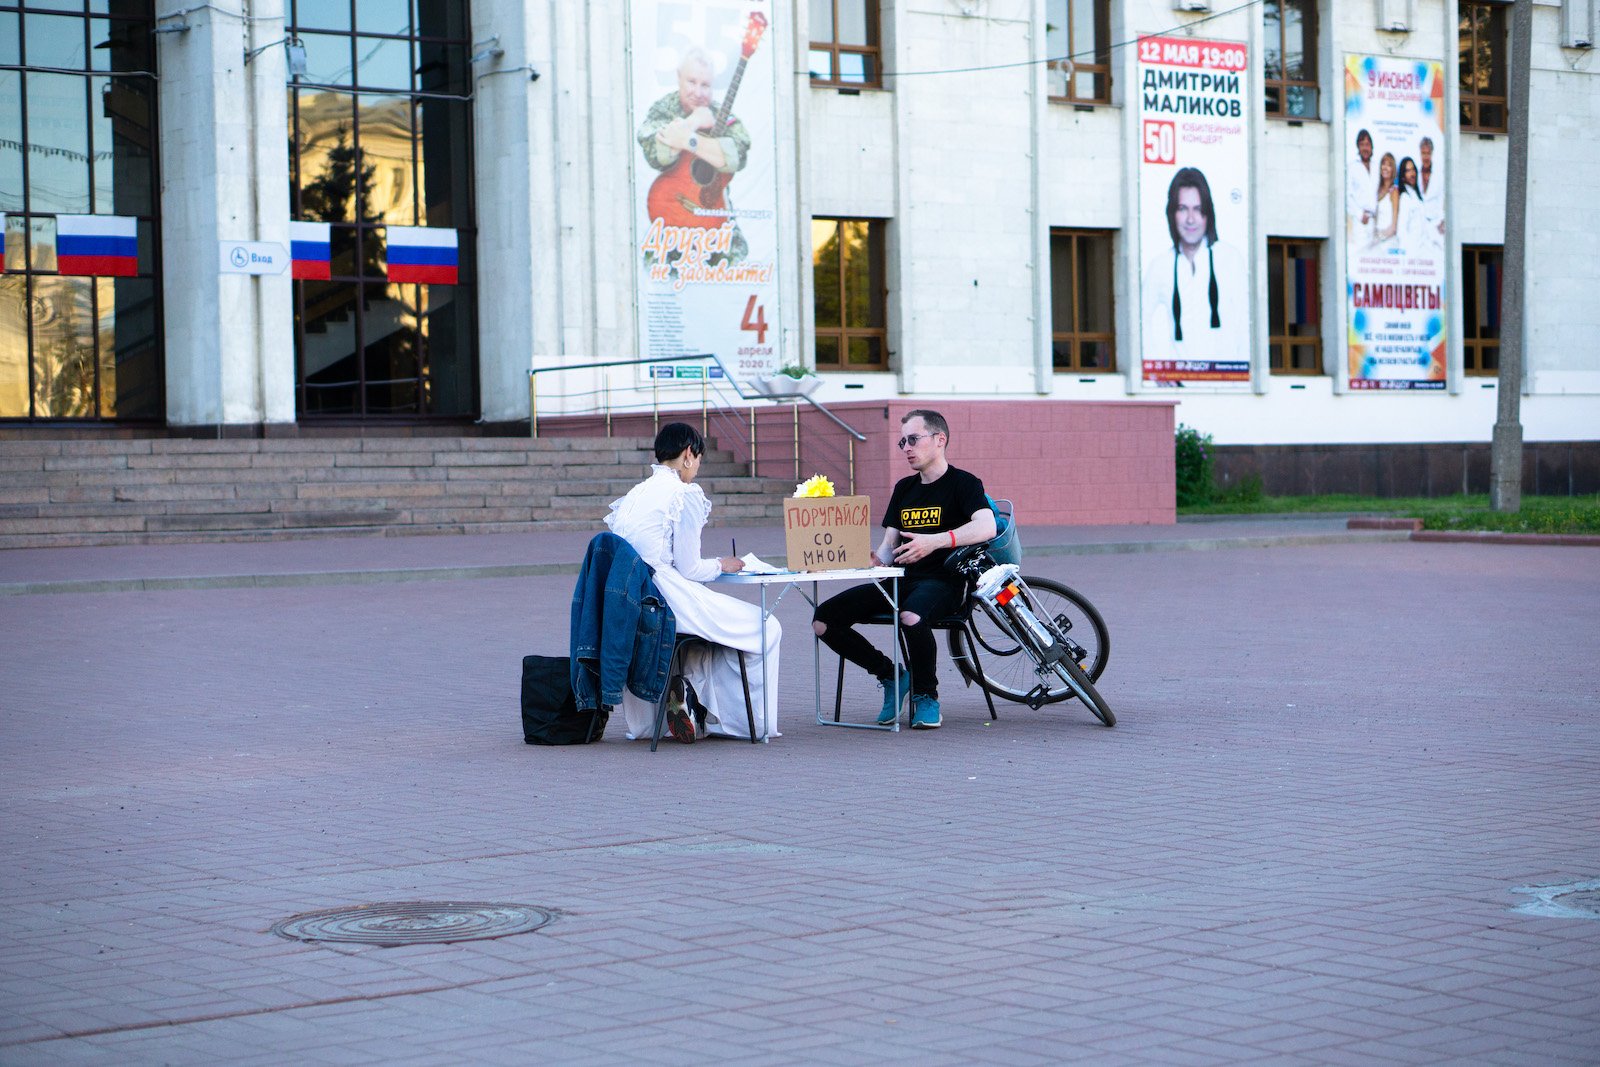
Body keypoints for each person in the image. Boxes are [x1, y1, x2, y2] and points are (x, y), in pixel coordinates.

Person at [812, 410, 996, 730]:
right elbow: (888, 545)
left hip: (944, 583)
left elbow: (987, 526)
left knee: (910, 617)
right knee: (823, 621)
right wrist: (874, 560)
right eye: (903, 442)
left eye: (914, 439)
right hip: (898, 581)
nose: (907, 448)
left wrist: (936, 542)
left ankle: (926, 696)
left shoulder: (963, 483)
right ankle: (891, 675)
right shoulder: (904, 488)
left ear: (940, 440)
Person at [602, 423, 781, 743]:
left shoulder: (633, 495)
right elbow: (689, 568)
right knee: (765, 625)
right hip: (667, 598)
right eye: (698, 460)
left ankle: (689, 704)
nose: (696, 468)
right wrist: (723, 564)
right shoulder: (683, 494)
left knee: (705, 635)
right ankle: (741, 723)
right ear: (688, 454)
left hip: (630, 602)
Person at [1139, 167, 1248, 367]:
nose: (1190, 219)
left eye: (1197, 209)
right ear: (1172, 213)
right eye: (1182, 209)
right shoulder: (1160, 266)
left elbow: (1246, 325)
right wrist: (1156, 368)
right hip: (1181, 383)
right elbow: (1139, 321)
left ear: (1208, 213)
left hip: (1228, 383)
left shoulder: (1230, 260)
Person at [1346, 128, 1377, 241]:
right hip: (1360, 221)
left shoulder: (1377, 167)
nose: (1365, 148)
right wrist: (1360, 214)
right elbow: (1347, 196)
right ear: (1358, 147)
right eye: (1362, 144)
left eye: (1367, 144)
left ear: (1371, 147)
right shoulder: (1352, 167)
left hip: (1376, 220)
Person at [1418, 136, 1445, 249]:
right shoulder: (1415, 173)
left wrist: (1442, 220)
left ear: (1432, 153)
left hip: (1436, 224)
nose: (1426, 157)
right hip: (1419, 225)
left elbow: (1444, 198)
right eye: (1423, 153)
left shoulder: (1439, 175)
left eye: (1428, 153)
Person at [1370, 152, 1400, 247]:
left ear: (1393, 169)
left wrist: (1380, 238)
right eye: (1383, 164)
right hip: (1376, 240)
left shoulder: (1394, 191)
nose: (1385, 168)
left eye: (1389, 165)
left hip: (1388, 243)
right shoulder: (1377, 190)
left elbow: (1394, 227)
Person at [1397, 156, 1425, 252]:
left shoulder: (1418, 197)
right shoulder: (1405, 198)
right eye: (1408, 171)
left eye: (1413, 170)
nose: (1412, 174)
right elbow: (1401, 232)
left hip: (1424, 251)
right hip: (1413, 253)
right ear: (1403, 176)